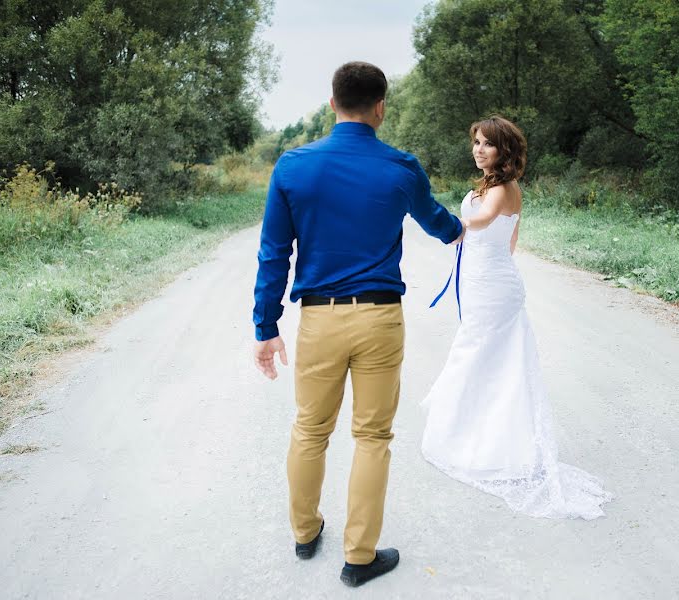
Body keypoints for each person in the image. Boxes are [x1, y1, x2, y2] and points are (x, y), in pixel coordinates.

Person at [251, 62, 464, 587]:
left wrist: (265, 325)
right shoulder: (401, 166)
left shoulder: (293, 166)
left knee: (309, 429)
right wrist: (464, 228)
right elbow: (437, 222)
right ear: (381, 108)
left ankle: (305, 535)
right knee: (372, 436)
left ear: (332, 104)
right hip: (379, 319)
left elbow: (274, 253)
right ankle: (359, 557)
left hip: (319, 320)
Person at [421, 116, 613, 519]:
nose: (478, 149)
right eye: (475, 141)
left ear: (503, 151)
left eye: (487, 144)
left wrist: (448, 225)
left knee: (478, 356)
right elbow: (510, 243)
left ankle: (481, 444)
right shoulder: (490, 186)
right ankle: (483, 437)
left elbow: (484, 220)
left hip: (492, 289)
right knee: (490, 361)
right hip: (485, 282)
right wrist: (476, 258)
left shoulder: (504, 189)